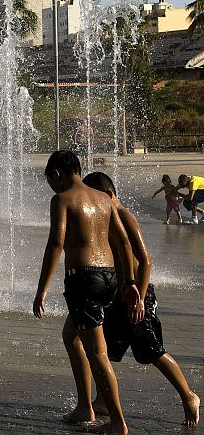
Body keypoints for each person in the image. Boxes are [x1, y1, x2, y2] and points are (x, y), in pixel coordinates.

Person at [32, 150, 140, 434]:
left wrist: (41, 290)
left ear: (57, 173)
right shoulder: (104, 199)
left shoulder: (62, 200)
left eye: (51, 181)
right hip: (108, 278)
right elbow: (124, 243)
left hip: (83, 280)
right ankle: (84, 407)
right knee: (71, 336)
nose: (52, 188)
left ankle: (117, 422)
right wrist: (128, 282)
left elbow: (56, 244)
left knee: (98, 352)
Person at [83, 172, 199, 427]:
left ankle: (188, 395)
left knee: (153, 351)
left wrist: (139, 297)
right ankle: (102, 399)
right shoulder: (108, 217)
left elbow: (146, 261)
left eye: (95, 198)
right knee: (106, 352)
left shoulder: (124, 216)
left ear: (110, 195)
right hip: (119, 295)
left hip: (138, 296)